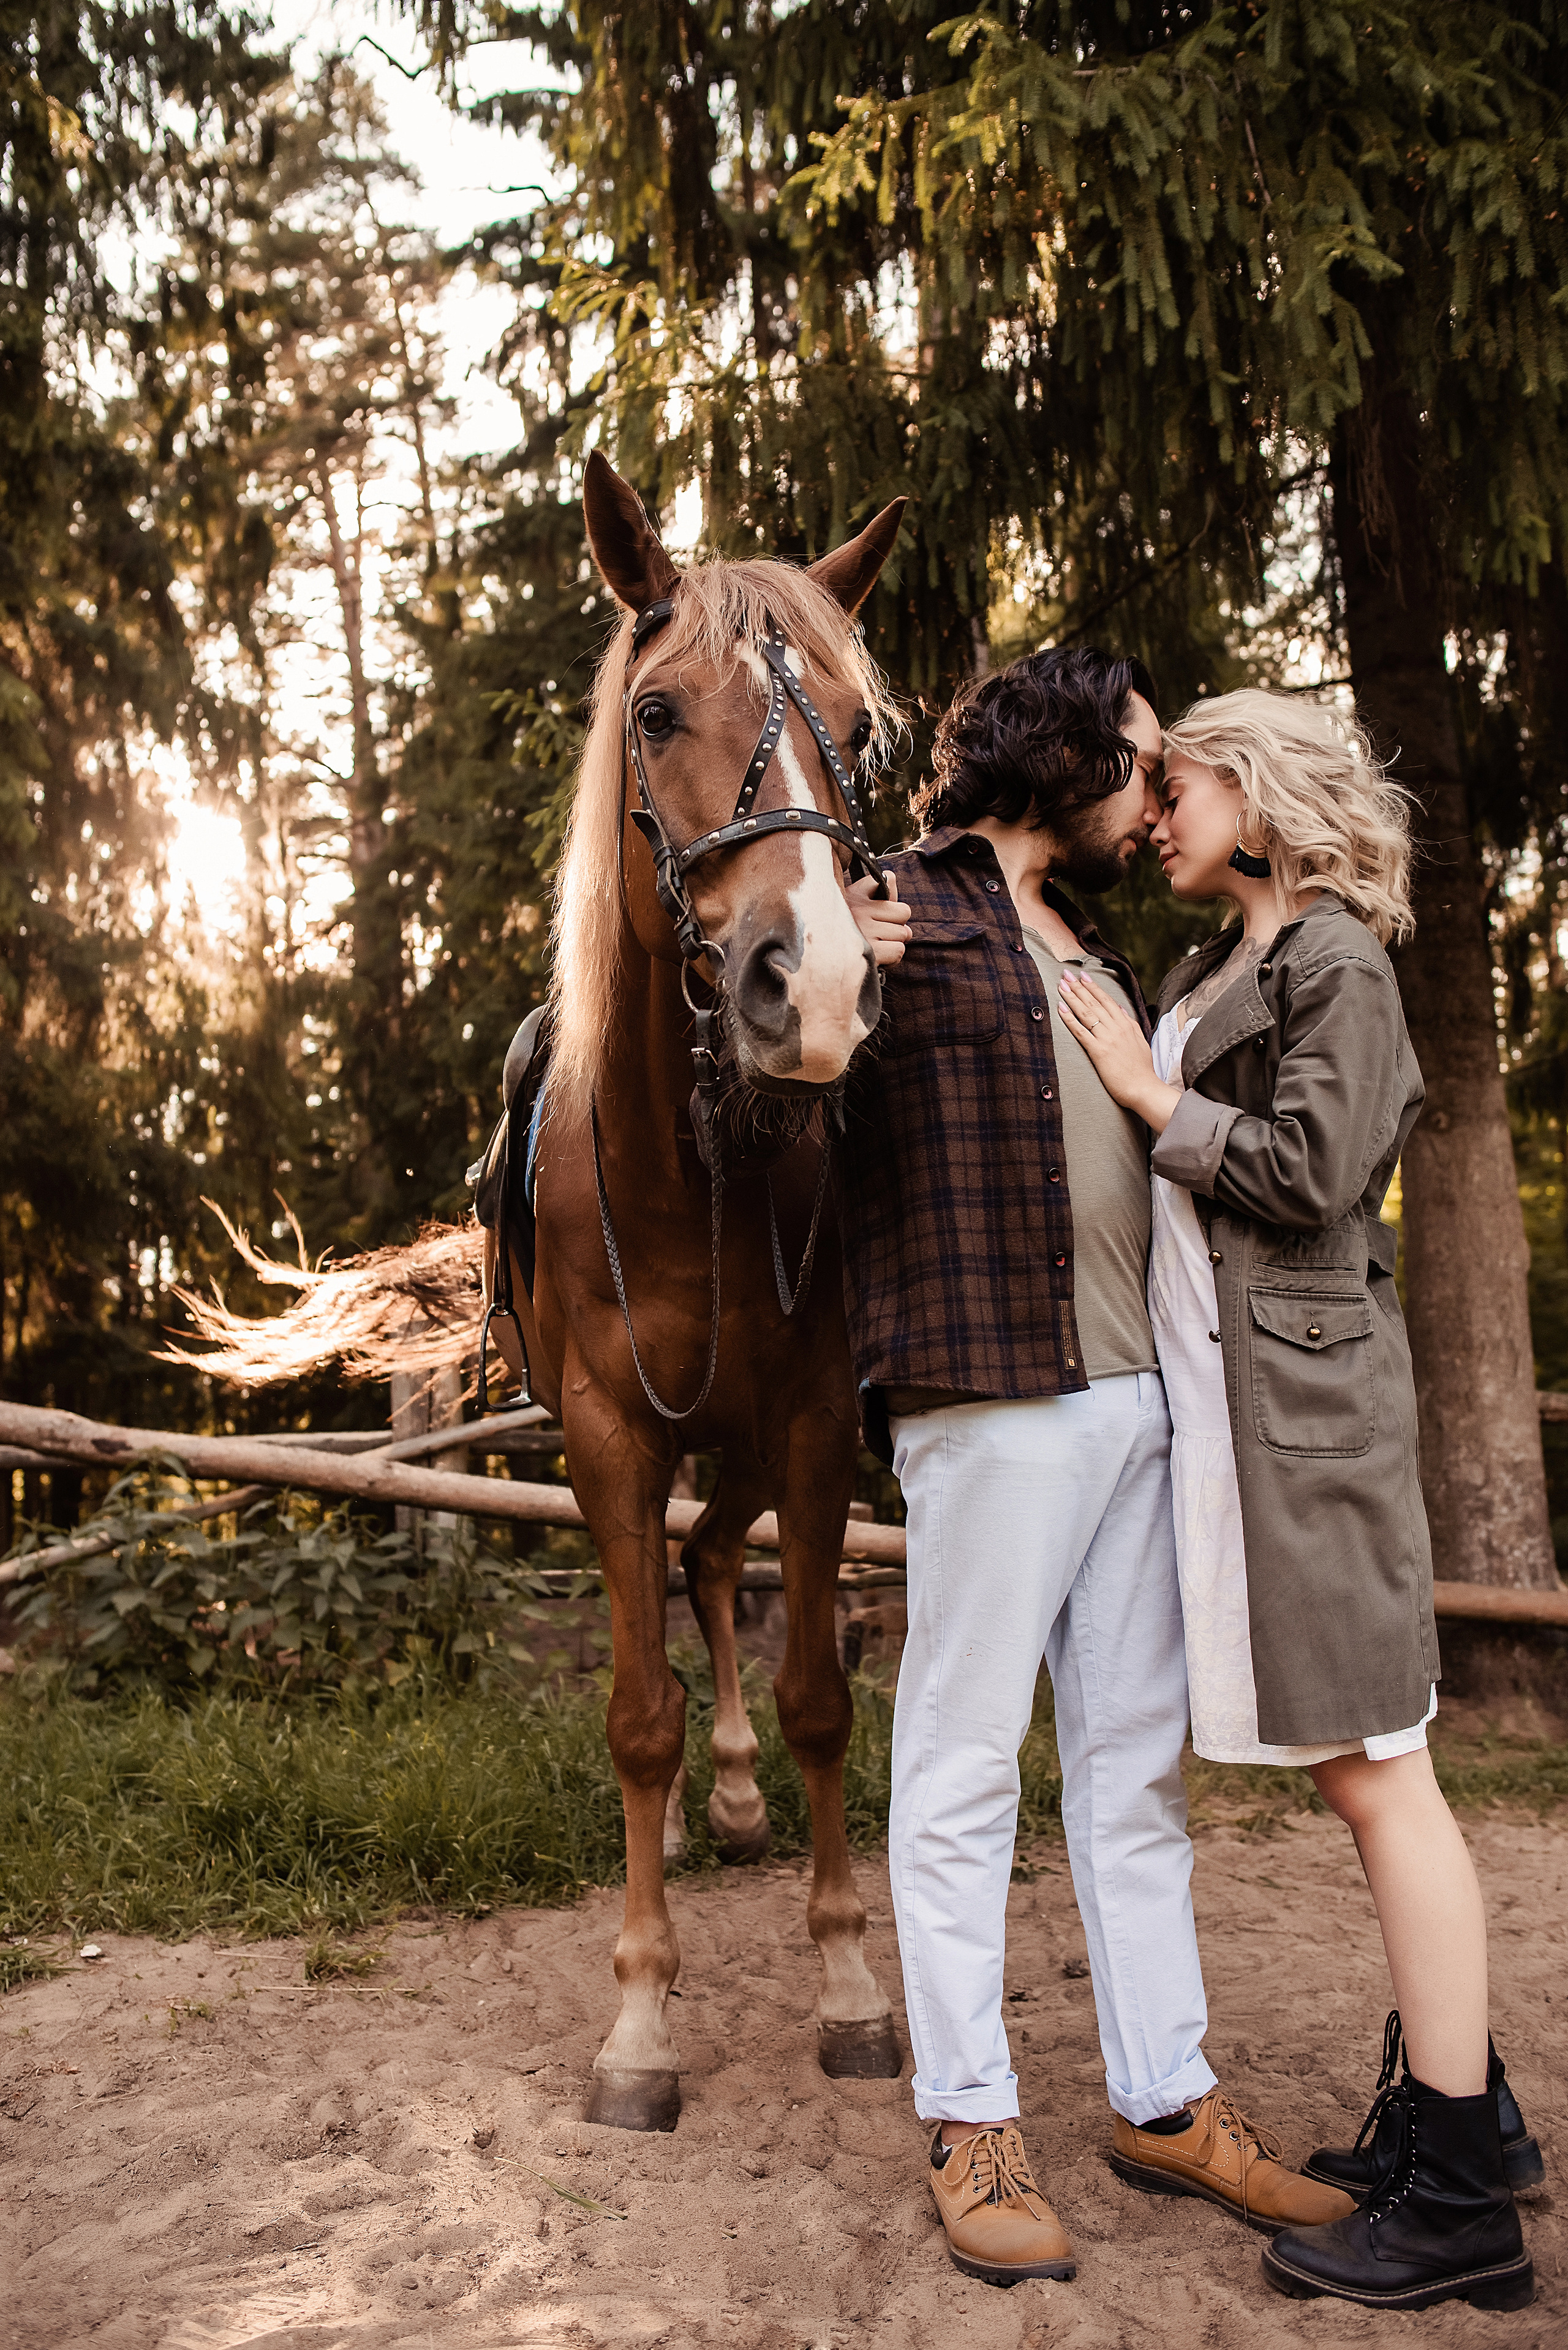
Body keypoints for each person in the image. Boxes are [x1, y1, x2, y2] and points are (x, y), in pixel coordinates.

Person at [839, 651, 1351, 2288]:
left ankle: (1161, 2095)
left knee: (1131, 1771)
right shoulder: (894, 907)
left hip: (1139, 1403)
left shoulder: (1104, 951)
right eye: (1140, 763)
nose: (1156, 795)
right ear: (1057, 756)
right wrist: (825, 963)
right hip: (986, 1396)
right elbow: (760, 1106)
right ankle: (971, 2114)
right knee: (963, 1764)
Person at [1054, 687, 1536, 2314]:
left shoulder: (1336, 958)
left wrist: (1146, 1097)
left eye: (1174, 782)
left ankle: (1464, 2182)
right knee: (1362, 1775)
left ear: (1256, 792)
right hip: (1242, 1426)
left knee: (1379, 1775)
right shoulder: (1213, 968)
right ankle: (1453, 2122)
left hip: (1316, 1429)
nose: (1155, 809)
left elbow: (1317, 1167)